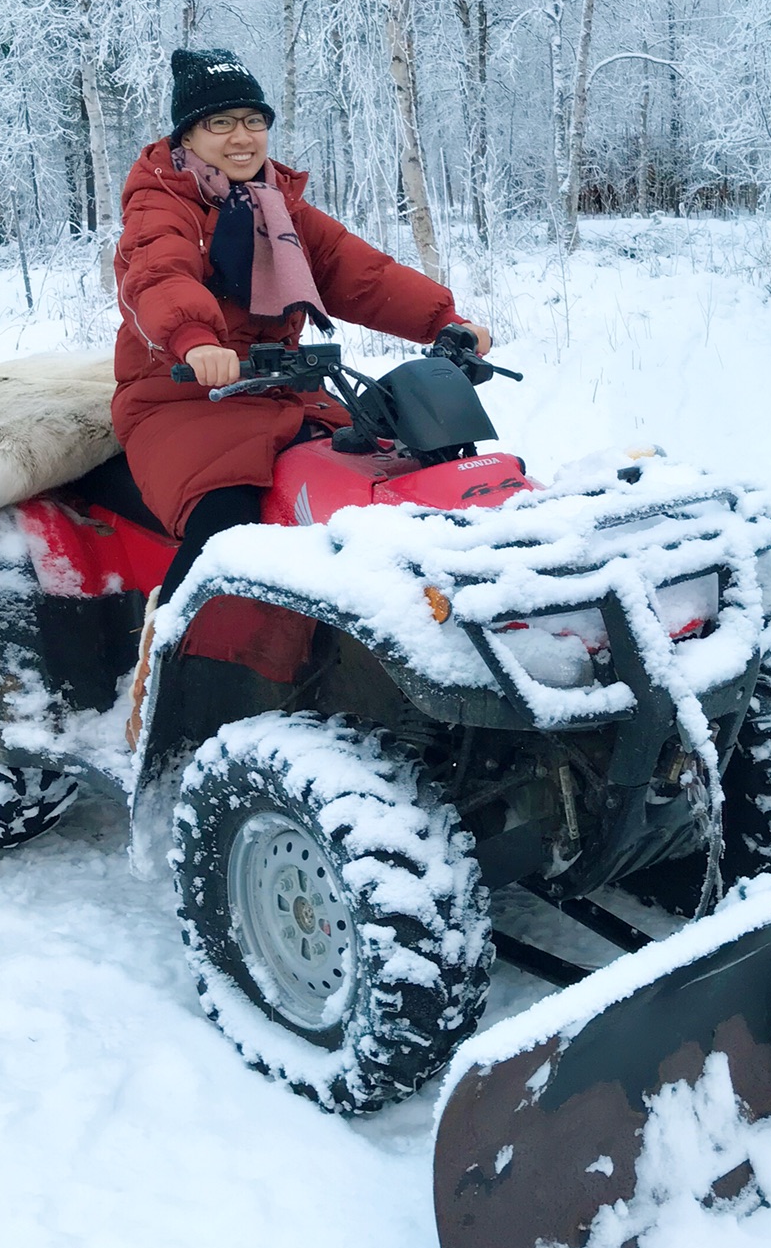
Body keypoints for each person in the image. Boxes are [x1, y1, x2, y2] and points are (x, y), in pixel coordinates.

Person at [113, 48, 489, 737]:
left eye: (253, 120)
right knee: (226, 523)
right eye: (220, 122)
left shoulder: (275, 207)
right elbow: (156, 275)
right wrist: (197, 340)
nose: (242, 137)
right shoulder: (161, 203)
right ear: (186, 137)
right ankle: (174, 692)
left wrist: (445, 321)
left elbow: (359, 272)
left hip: (281, 393)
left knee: (388, 476)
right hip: (180, 398)